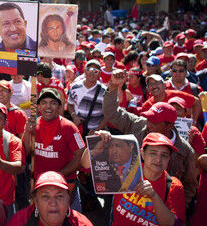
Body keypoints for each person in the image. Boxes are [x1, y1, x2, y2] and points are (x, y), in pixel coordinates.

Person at [103, 70, 198, 205]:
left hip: (158, 210)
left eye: (154, 121)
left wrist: (173, 209)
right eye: (148, 118)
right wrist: (113, 86)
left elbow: (189, 187)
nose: (148, 124)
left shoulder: (185, 151)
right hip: (127, 201)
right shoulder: (139, 125)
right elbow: (111, 112)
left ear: (169, 126)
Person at [82, 132, 186, 226]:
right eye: (153, 153)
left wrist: (154, 196)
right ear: (142, 154)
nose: (158, 160)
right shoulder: (128, 168)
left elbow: (174, 224)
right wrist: (96, 145)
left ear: (169, 158)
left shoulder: (174, 186)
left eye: (164, 155)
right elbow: (85, 164)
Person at [22, 88, 85, 210]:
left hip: (66, 183)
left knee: (70, 220)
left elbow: (81, 156)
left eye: (53, 103)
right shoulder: (33, 125)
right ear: (38, 107)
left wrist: (58, 175)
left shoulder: (69, 127)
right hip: (40, 184)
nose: (48, 106)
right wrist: (27, 132)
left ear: (60, 107)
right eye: (44, 102)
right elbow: (24, 153)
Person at [5, 171, 93, 226]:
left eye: (59, 196)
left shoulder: (81, 223)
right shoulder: (20, 222)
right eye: (45, 196)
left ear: (68, 200)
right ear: (36, 201)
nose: (53, 203)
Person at [67, 59, 107, 135]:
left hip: (95, 133)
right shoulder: (75, 86)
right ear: (85, 71)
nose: (92, 72)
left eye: (95, 71)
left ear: (99, 74)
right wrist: (74, 116)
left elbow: (107, 115)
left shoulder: (104, 91)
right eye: (89, 69)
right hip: (77, 130)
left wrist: (97, 130)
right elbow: (70, 104)